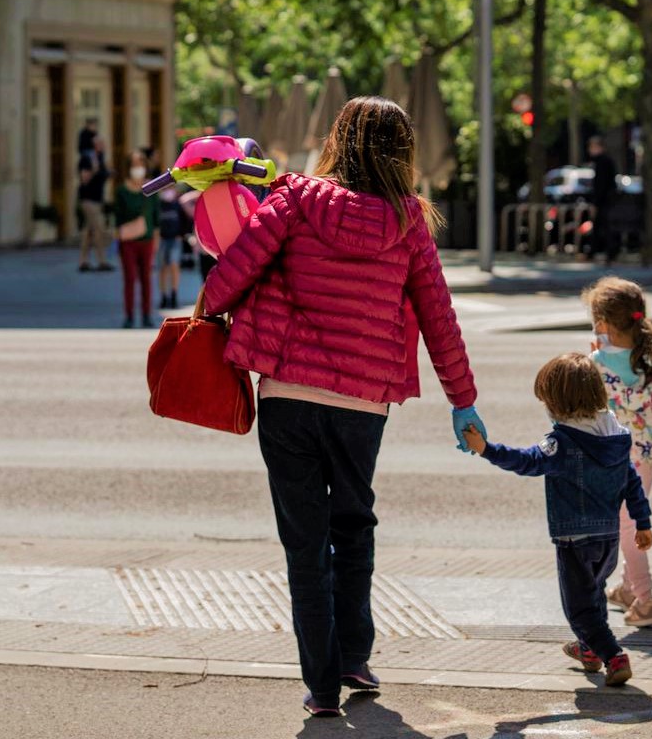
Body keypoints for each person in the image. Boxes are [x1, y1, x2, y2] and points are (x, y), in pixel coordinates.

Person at [203, 96, 483, 718]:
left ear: (337, 139)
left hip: (288, 397)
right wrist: (462, 402)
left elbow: (227, 281)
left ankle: (322, 686)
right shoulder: (409, 221)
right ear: (403, 153)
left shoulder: (294, 199)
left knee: (305, 543)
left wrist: (208, 306)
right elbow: (439, 316)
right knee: (354, 524)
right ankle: (356, 654)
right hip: (363, 402)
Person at [462, 352, 651, 688]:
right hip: (607, 538)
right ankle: (589, 650)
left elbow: (527, 462)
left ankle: (613, 655)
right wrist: (642, 521)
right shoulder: (616, 436)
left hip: (574, 541)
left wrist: (485, 449)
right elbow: (631, 481)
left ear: (558, 405)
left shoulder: (561, 442)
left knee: (579, 608)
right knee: (593, 595)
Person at [582, 277, 652, 627]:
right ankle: (629, 588)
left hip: (610, 459)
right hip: (646, 457)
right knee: (631, 518)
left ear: (601, 324)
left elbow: (582, 410)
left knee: (627, 526)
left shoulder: (596, 364)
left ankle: (646, 600)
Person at [111, 151, 159, 328]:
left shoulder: (150, 189)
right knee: (129, 279)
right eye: (133, 165)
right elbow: (117, 216)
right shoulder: (122, 190)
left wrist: (157, 237)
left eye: (140, 164)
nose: (137, 168)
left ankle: (146, 315)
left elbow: (156, 216)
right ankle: (129, 316)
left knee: (146, 278)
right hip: (128, 241)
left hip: (147, 240)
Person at [77, 136, 113, 273]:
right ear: (94, 145)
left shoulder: (101, 158)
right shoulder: (87, 158)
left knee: (88, 232)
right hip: (88, 199)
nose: (103, 146)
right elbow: (84, 179)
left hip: (97, 199)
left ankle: (83, 261)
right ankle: (102, 261)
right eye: (100, 144)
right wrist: (94, 169)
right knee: (99, 229)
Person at [585, 136, 619, 263]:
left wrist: (595, 202)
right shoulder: (606, 161)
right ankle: (603, 252)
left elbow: (600, 184)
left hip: (603, 201)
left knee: (603, 227)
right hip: (608, 200)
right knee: (603, 227)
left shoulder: (601, 162)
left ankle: (603, 252)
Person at [156, 184, 185, 310]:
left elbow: (184, 220)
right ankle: (164, 296)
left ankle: (174, 295)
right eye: (165, 188)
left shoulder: (178, 203)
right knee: (163, 268)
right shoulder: (158, 204)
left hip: (175, 238)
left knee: (174, 266)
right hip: (162, 239)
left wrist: (181, 234)